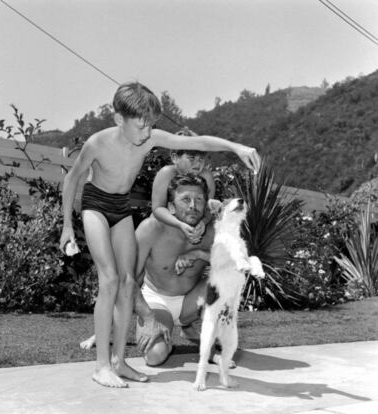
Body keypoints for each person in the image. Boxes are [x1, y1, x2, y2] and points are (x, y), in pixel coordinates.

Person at [59, 82, 260, 388]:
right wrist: (67, 226)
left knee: (127, 284)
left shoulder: (149, 138)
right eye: (141, 125)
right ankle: (101, 366)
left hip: (121, 207)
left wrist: (237, 147)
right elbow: (72, 179)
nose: (146, 132)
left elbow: (200, 142)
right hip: (95, 205)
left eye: (151, 125)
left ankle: (119, 362)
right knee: (110, 280)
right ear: (118, 119)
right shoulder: (98, 143)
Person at [82, 174, 216, 366]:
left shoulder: (211, 232)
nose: (193, 206)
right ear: (171, 207)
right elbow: (126, 279)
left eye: (199, 200)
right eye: (185, 199)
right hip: (157, 302)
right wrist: (149, 317)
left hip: (190, 303)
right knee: (155, 356)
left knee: (220, 283)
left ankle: (206, 341)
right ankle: (164, 337)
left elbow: (236, 266)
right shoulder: (151, 229)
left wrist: (199, 254)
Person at [151, 127, 215, 244]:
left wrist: (203, 222)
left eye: (201, 159)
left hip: (195, 221)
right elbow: (157, 208)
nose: (197, 163)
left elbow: (210, 207)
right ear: (175, 158)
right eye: (191, 158)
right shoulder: (166, 173)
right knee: (151, 224)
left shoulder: (206, 176)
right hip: (168, 222)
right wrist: (179, 224)